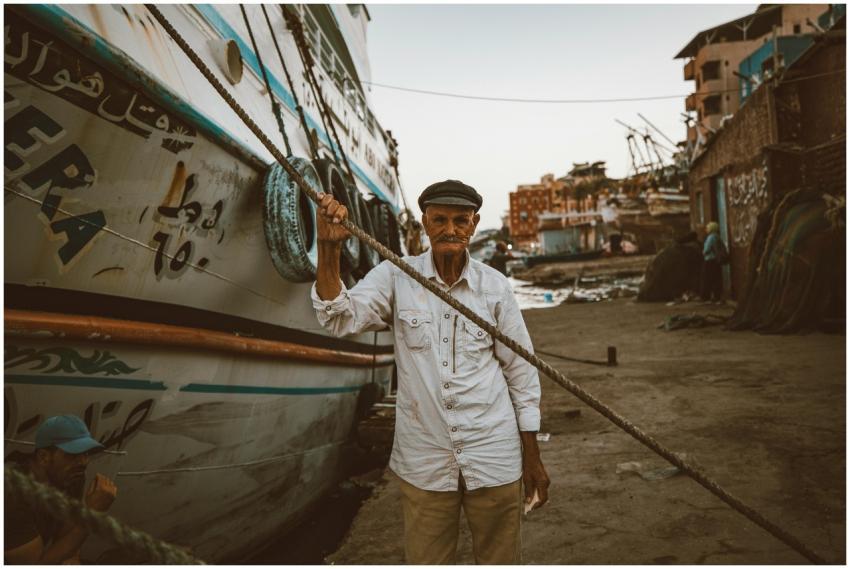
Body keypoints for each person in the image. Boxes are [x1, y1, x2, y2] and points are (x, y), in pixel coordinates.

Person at [312, 180, 549, 564]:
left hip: (494, 458)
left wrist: (533, 457)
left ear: (474, 225)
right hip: (425, 464)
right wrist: (329, 247)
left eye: (460, 221)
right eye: (440, 219)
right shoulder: (395, 275)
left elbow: (521, 373)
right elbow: (338, 316)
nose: (450, 230)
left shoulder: (495, 288)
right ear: (425, 221)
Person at [5, 415, 118, 564]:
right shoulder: (11, 496)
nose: (84, 462)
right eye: (73, 454)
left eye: (86, 453)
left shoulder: (69, 478)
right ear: (44, 457)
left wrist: (72, 558)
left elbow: (65, 537)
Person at [701, 221, 727, 303]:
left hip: (709, 260)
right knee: (716, 279)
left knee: (707, 279)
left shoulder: (711, 237)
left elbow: (706, 250)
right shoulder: (717, 237)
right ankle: (717, 296)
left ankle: (706, 297)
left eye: (707, 227)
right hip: (716, 261)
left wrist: (703, 252)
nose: (706, 229)